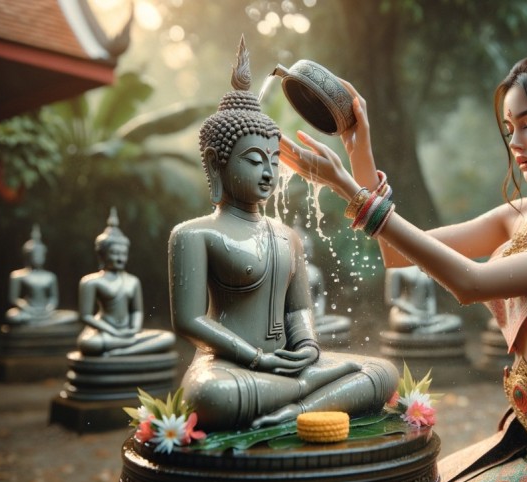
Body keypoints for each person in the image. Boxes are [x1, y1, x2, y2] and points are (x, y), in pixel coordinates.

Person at [279, 1, 527, 482]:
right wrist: (357, 146)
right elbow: (396, 256)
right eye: (511, 128)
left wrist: (348, 189)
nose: (515, 141)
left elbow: (470, 283)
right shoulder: (526, 214)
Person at [167, 37, 398, 432]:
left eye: (274, 161)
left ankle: (296, 408)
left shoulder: (286, 235)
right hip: (230, 369)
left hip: (289, 366)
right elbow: (189, 320)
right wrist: (256, 359)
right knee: (208, 398)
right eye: (254, 160)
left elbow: (297, 309)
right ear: (215, 163)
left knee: (381, 371)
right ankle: (314, 396)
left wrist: (307, 346)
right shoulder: (193, 234)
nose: (269, 172)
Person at [76, 207, 176, 356]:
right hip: (104, 331)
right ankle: (129, 347)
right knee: (89, 344)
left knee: (168, 337)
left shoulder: (133, 281)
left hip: (128, 332)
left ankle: (121, 352)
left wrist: (134, 330)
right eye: (115, 253)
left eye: (123, 254)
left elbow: (137, 311)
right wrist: (112, 331)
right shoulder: (91, 282)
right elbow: (85, 316)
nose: (120, 258)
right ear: (102, 255)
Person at [5, 224, 78, 327]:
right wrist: (28, 308)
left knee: (73, 315)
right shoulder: (18, 276)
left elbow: (54, 298)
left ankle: (39, 323)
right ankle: (41, 323)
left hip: (46, 312)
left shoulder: (50, 276)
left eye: (41, 254)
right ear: (28, 255)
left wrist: (49, 308)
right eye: (36, 254)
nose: (39, 257)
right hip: (28, 311)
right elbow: (14, 298)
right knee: (12, 315)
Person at [385, 265, 461, 334]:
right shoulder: (395, 269)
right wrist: (415, 312)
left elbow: (430, 296)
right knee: (401, 322)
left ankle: (425, 331)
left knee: (455, 321)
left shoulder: (425, 268)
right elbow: (392, 299)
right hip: (407, 316)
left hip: (425, 316)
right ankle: (428, 329)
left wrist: (431, 312)